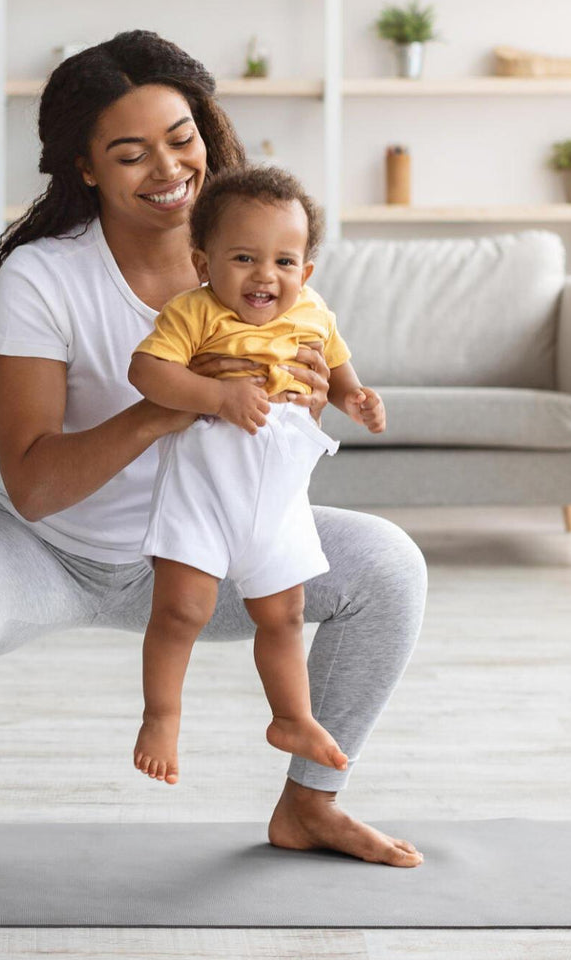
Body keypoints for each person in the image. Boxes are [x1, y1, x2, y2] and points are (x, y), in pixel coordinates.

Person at [0, 30, 426, 899]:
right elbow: (34, 485)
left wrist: (304, 404)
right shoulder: (43, 279)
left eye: (181, 137)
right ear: (85, 168)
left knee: (389, 567)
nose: (167, 167)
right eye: (130, 152)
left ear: (209, 134)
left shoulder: (263, 266)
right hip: (46, 545)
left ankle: (309, 807)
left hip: (194, 548)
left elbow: (288, 428)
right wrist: (171, 403)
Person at [128, 164, 387, 786]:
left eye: (284, 262)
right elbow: (147, 372)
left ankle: (291, 715)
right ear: (203, 262)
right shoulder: (193, 312)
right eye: (243, 257)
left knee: (286, 614)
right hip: (205, 485)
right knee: (181, 610)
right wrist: (217, 398)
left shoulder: (315, 314)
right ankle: (161, 715)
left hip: (278, 494)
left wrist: (355, 398)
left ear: (307, 271)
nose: (264, 275)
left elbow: (339, 364)